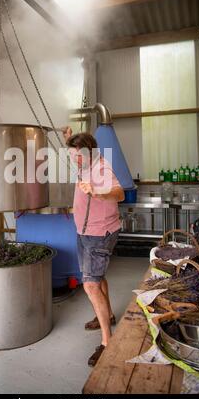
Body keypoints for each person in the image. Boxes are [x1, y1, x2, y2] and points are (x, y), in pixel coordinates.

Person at [63, 127, 124, 367]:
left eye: (77, 155)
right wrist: (67, 136)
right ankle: (107, 315)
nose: (74, 159)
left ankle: (107, 342)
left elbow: (119, 193)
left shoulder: (101, 169)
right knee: (98, 279)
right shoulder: (84, 163)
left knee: (90, 285)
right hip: (85, 231)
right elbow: (73, 150)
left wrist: (97, 191)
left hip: (99, 233)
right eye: (73, 155)